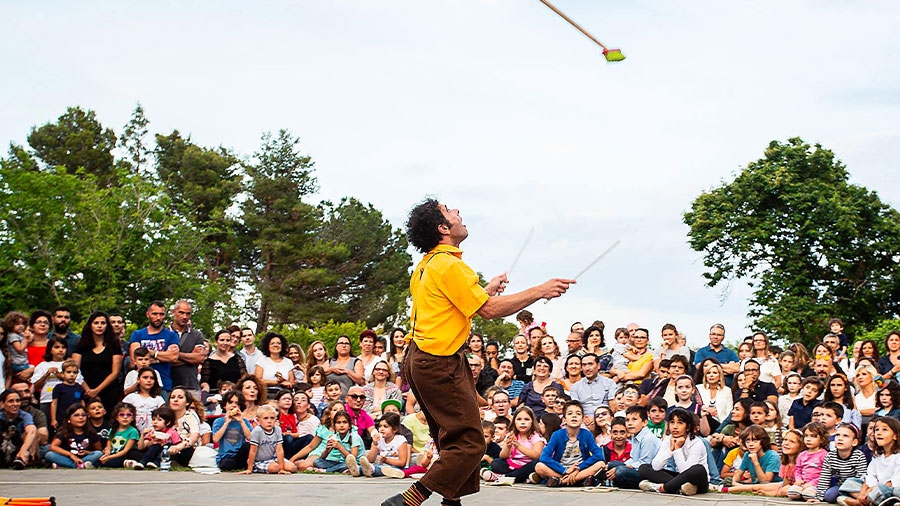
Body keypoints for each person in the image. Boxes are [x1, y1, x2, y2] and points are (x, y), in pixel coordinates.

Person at [381, 199, 574, 506]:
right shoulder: (450, 265)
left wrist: (485, 288)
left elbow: (460, 306)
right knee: (471, 443)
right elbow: (487, 311)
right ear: (443, 228)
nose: (458, 212)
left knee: (453, 440)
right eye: (450, 211)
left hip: (422, 359)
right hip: (439, 361)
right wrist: (540, 291)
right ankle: (411, 498)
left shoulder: (429, 264)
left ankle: (451, 502)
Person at [533, 400, 606, 487]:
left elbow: (598, 455)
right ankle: (576, 480)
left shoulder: (587, 434)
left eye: (578, 414)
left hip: (580, 469)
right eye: (570, 413)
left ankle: (562, 481)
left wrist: (579, 467)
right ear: (564, 419)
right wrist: (564, 470)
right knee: (539, 466)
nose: (574, 416)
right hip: (561, 469)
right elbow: (544, 457)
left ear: (582, 419)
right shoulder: (557, 435)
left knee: (600, 464)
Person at [638, 407, 710, 495]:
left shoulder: (696, 442)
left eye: (680, 423)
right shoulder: (668, 439)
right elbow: (656, 466)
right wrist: (670, 449)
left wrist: (677, 449)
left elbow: (686, 471)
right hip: (680, 478)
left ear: (688, 427)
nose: (675, 427)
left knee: (698, 469)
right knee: (644, 468)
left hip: (697, 481)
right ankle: (679, 488)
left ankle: (662, 487)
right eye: (672, 422)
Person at [843, 417, 900, 506]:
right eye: (876, 430)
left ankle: (860, 502)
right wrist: (863, 492)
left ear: (895, 436)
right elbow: (870, 475)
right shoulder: (877, 454)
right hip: (876, 488)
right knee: (849, 482)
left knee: (894, 490)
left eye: (884, 429)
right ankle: (869, 501)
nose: (879, 433)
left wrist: (871, 490)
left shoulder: (898, 456)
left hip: (890, 488)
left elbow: (893, 482)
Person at [73, 311, 123, 412]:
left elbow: (115, 372)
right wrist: (88, 390)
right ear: (90, 325)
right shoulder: (81, 345)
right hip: (84, 390)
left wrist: (97, 390)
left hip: (108, 390)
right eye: (96, 323)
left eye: (103, 323)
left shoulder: (114, 345)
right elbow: (75, 369)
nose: (99, 326)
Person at [482, 405, 545, 483]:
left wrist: (518, 445)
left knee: (538, 462)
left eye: (526, 419)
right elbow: (503, 456)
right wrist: (508, 446)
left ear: (532, 421)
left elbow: (536, 455)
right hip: (513, 465)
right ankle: (520, 477)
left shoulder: (536, 436)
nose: (522, 422)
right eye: (519, 419)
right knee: (496, 463)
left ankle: (505, 477)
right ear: (514, 422)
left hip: (528, 465)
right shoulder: (512, 435)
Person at [129, 301, 180, 398]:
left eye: (161, 314)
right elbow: (134, 359)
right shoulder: (137, 335)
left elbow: (173, 357)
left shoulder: (171, 335)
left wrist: (151, 353)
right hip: (139, 387)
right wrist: (162, 357)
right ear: (148, 314)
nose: (158, 317)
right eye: (154, 314)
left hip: (163, 385)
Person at [606, 405, 660, 489]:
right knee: (612, 465)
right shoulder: (635, 436)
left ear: (644, 422)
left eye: (634, 419)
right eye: (627, 420)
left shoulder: (647, 439)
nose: (630, 423)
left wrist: (620, 468)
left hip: (652, 472)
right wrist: (618, 467)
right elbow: (633, 458)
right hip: (639, 468)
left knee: (620, 471)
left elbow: (644, 463)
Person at [816, 423, 867, 503]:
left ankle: (850, 499)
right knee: (829, 496)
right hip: (840, 486)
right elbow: (824, 477)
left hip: (854, 487)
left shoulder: (858, 456)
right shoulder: (830, 456)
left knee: (853, 488)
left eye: (845, 436)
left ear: (854, 442)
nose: (840, 438)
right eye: (837, 435)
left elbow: (861, 477)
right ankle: (844, 497)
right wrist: (818, 497)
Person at [237, 403, 295, 474]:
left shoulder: (277, 429)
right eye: (265, 418)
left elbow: (279, 450)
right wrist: (249, 468)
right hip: (259, 460)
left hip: (273, 458)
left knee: (291, 467)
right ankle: (255, 468)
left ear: (276, 419)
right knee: (275, 468)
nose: (269, 421)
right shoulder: (257, 431)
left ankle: (281, 467)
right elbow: (253, 450)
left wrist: (282, 468)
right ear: (258, 420)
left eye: (272, 418)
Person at [45, 403, 103, 468]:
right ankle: (81, 466)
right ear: (69, 419)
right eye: (76, 415)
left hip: (85, 458)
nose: (81, 418)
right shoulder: (63, 432)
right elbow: (53, 447)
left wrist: (88, 452)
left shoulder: (91, 432)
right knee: (49, 455)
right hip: (68, 458)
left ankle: (67, 465)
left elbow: (99, 450)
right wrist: (70, 455)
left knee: (98, 454)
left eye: (83, 415)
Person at [787, 422, 829, 500]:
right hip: (802, 483)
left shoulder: (824, 455)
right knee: (792, 493)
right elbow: (798, 470)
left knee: (808, 495)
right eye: (806, 436)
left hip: (816, 485)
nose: (808, 439)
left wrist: (812, 483)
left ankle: (806, 493)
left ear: (822, 440)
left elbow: (825, 474)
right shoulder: (802, 455)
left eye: (813, 436)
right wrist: (798, 479)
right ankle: (801, 492)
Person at [359, 412, 409, 478]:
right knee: (372, 465)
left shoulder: (400, 440)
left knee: (381, 468)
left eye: (385, 426)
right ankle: (358, 469)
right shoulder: (379, 439)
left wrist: (386, 460)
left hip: (395, 467)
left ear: (395, 429)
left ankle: (369, 470)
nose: (381, 429)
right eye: (380, 426)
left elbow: (402, 463)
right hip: (381, 465)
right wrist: (375, 444)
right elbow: (370, 460)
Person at [568, 353, 616, 422]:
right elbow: (576, 408)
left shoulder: (609, 383)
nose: (587, 368)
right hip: (584, 421)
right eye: (584, 365)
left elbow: (613, 406)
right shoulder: (575, 387)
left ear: (598, 365)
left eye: (590, 364)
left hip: (604, 419)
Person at [212, 391, 253, 471]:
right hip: (226, 456)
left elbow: (250, 437)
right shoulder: (219, 421)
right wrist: (226, 423)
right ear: (224, 405)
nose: (234, 405)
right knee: (226, 464)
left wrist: (241, 421)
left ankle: (243, 464)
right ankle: (238, 465)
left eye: (237, 403)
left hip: (239, 454)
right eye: (230, 402)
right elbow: (215, 439)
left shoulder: (244, 421)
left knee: (247, 446)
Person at [130, 405, 181, 469]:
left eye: (159, 420)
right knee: (155, 445)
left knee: (168, 445)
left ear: (167, 422)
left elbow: (178, 445)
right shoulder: (152, 432)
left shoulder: (172, 432)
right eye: (153, 419)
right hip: (151, 453)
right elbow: (141, 447)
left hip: (165, 454)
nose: (155, 422)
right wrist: (143, 435)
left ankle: (157, 462)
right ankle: (143, 462)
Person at [200, 329, 247, 395]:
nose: (225, 343)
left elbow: (244, 377)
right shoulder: (208, 362)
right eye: (222, 340)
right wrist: (205, 390)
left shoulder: (237, 358)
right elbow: (204, 381)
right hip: (215, 396)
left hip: (236, 395)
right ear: (216, 342)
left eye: (227, 340)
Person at [0, 389, 37, 469]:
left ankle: (21, 460)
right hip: (2, 446)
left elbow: (32, 431)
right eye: (11, 401)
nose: (15, 404)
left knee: (30, 433)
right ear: (2, 404)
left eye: (18, 401)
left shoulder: (25, 416)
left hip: (19, 448)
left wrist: (23, 451)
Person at [122, 366, 165, 433]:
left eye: (152, 378)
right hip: (132, 433)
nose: (149, 380)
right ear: (138, 380)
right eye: (145, 377)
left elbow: (164, 417)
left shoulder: (158, 399)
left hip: (153, 434)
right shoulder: (130, 398)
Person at [98, 402, 141, 468]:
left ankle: (127, 462)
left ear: (133, 418)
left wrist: (109, 457)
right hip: (113, 454)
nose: (125, 417)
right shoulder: (112, 430)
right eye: (122, 415)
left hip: (125, 454)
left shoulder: (133, 431)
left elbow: (125, 450)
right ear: (116, 417)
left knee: (110, 462)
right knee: (99, 459)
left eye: (129, 415)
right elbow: (108, 447)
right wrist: (106, 455)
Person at [167, 387, 201, 466]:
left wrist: (180, 446)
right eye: (173, 397)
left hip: (186, 448)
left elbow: (195, 436)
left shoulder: (191, 416)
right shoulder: (166, 415)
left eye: (180, 397)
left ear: (187, 402)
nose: (175, 400)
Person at [50, 359, 85, 429]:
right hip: (62, 419)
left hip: (77, 418)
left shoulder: (79, 387)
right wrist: (53, 419)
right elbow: (54, 403)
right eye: (68, 372)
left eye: (74, 372)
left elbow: (81, 402)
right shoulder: (59, 387)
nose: (72, 375)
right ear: (63, 373)